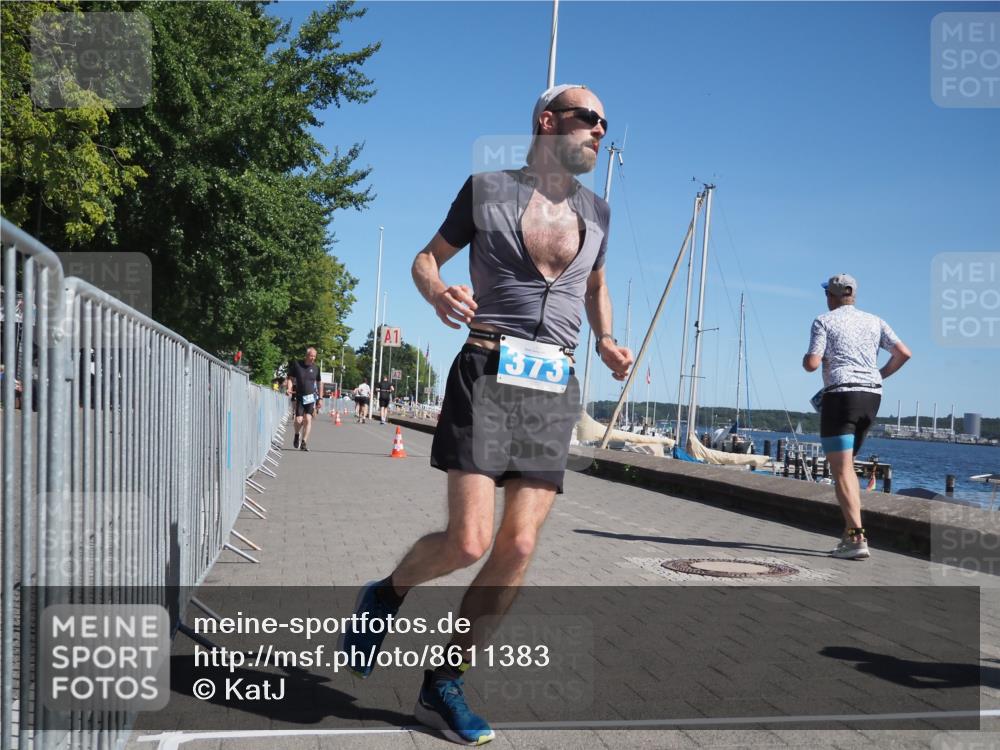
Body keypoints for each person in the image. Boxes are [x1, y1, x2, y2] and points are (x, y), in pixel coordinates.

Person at [341, 84, 633, 745]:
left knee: (520, 545)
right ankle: (386, 592)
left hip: (553, 384)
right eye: (591, 121)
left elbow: (595, 286)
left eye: (607, 125)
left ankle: (443, 682)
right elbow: (425, 259)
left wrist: (607, 338)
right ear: (548, 121)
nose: (600, 133)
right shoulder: (486, 189)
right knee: (468, 541)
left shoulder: (600, 213)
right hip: (486, 367)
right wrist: (438, 291)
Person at [803, 273, 911, 560]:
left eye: (827, 294)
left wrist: (808, 358)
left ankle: (856, 538)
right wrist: (878, 375)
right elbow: (903, 353)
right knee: (847, 468)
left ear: (833, 296)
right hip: (871, 397)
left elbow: (812, 364)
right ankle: (850, 533)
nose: (826, 298)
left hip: (841, 397)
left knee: (841, 471)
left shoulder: (823, 321)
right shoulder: (875, 320)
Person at [286, 347, 322, 451]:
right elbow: (290, 379)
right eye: (311, 356)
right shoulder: (297, 365)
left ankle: (304, 442)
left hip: (311, 397)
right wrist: (289, 388)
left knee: (308, 419)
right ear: (306, 355)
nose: (313, 358)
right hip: (300, 397)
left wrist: (320, 398)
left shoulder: (316, 368)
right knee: (298, 420)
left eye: (315, 356)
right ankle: (297, 434)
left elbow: (319, 383)